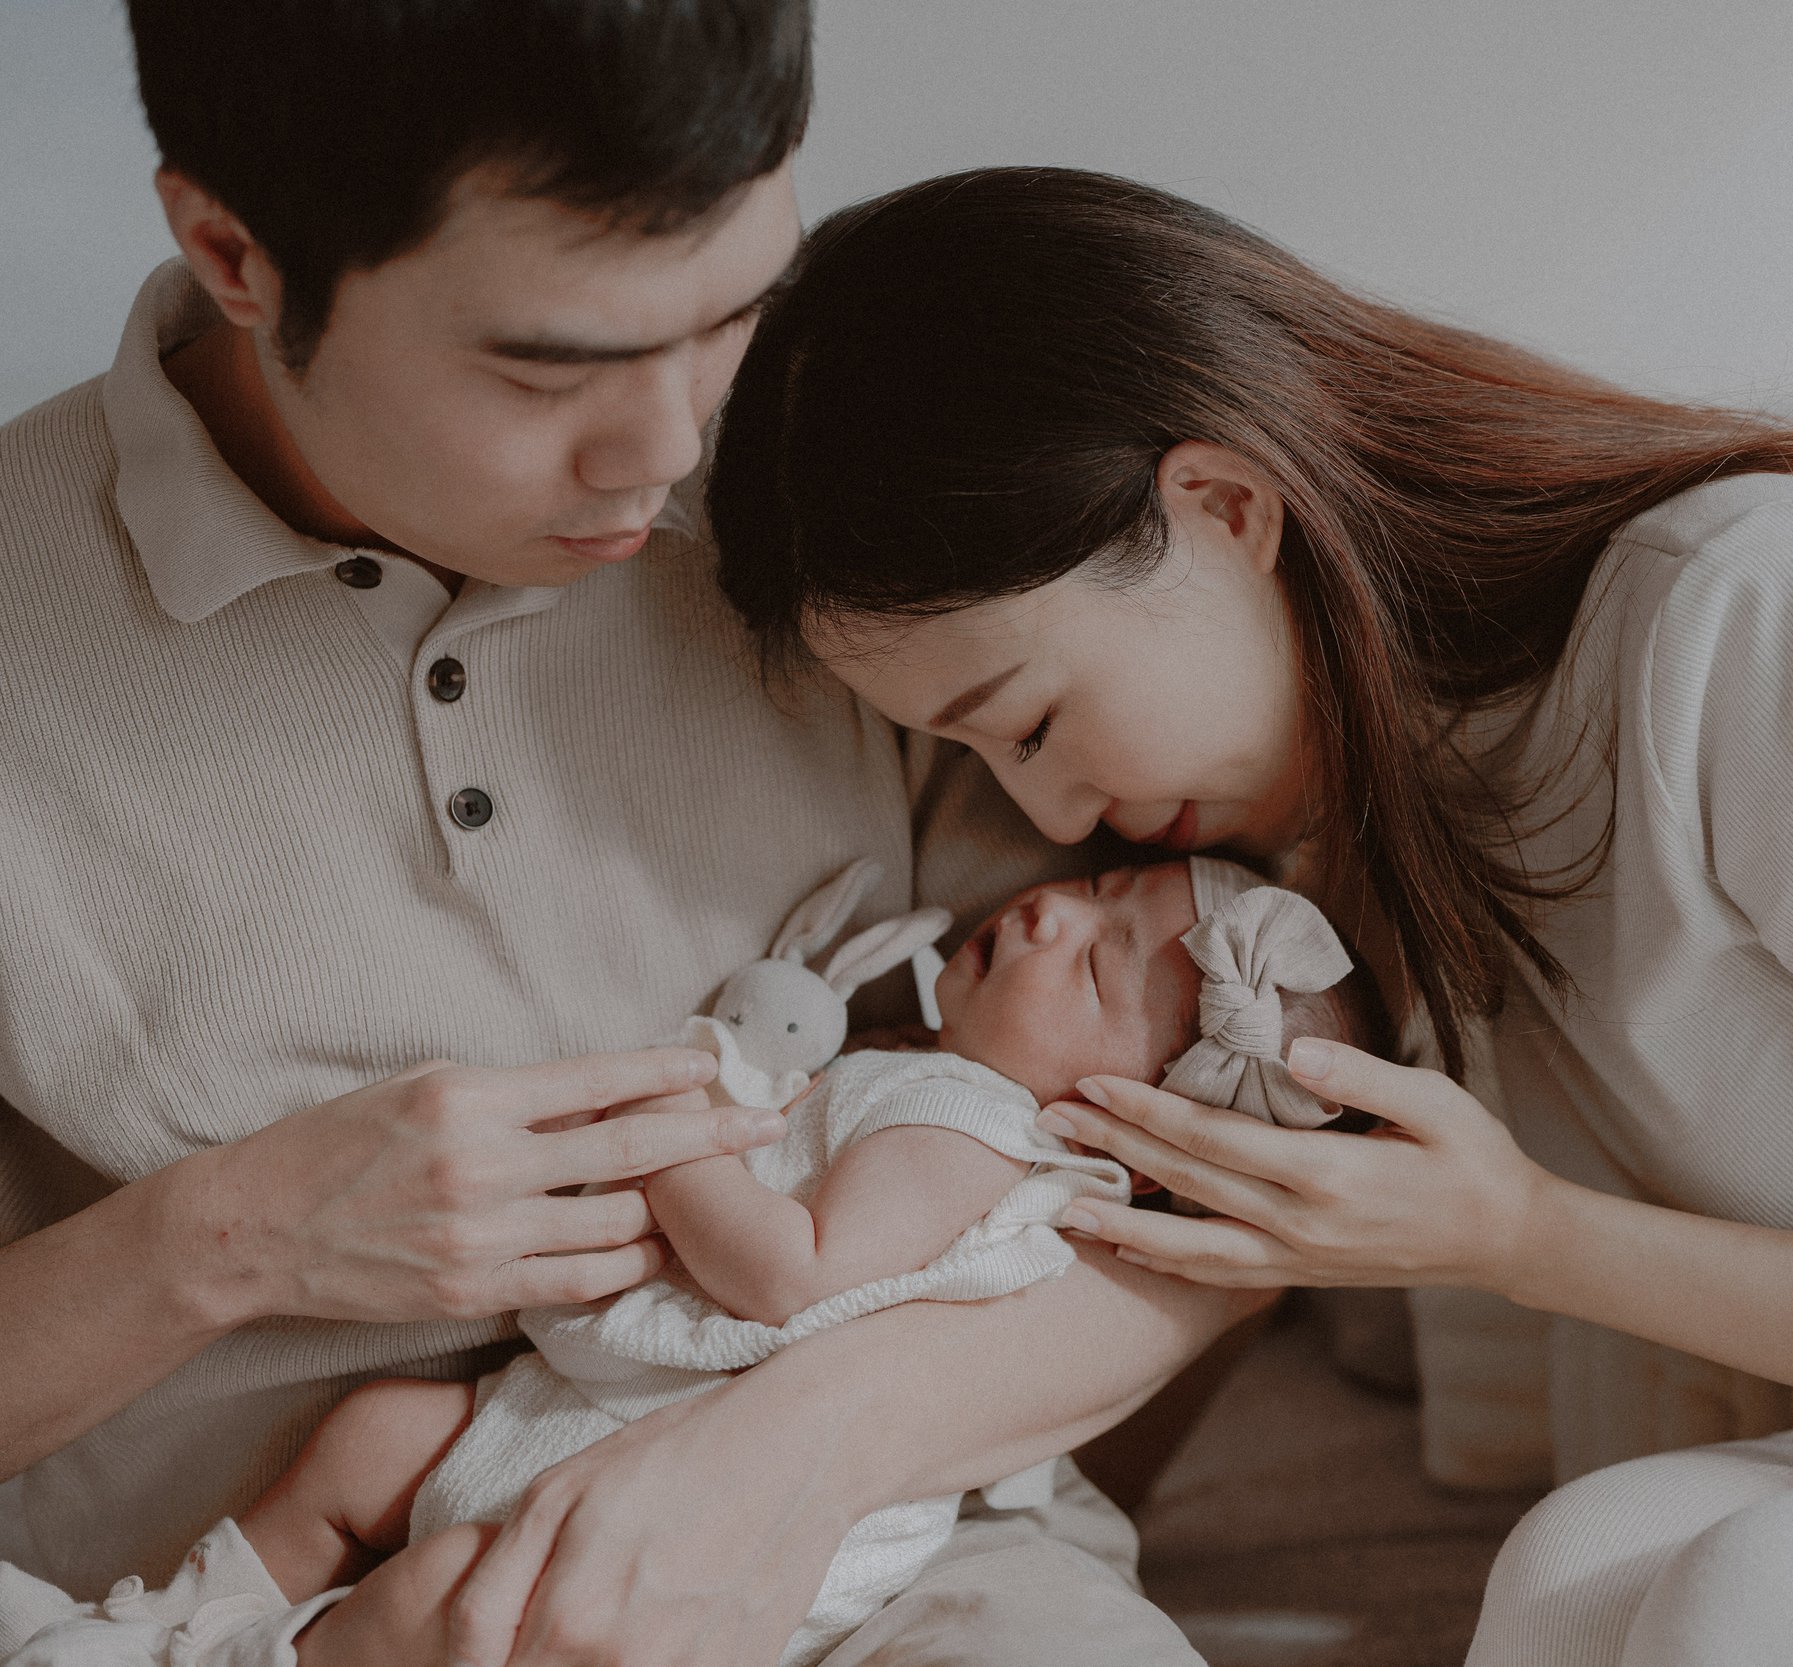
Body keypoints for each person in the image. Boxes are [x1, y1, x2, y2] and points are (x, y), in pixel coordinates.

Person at [704, 164, 1793, 1665]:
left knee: (1786, 1601)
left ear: (1224, 506)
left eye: (1027, 719)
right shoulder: (1315, 858)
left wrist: (1518, 1235)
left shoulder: (1747, 618)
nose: (1045, 817)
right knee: (1583, 1573)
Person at [0, 15, 1250, 1665]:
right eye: (546, 369)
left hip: (890, 1562)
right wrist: (222, 1238)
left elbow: (1243, 1151)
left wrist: (806, 1452)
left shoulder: (817, 490)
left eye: (729, 316)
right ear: (234, 252)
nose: (667, 457)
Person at [4, 859, 1383, 1665]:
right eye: (1087, 891)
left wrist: (672, 1145)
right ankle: (199, 1611)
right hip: (582, 1418)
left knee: (438, 1609)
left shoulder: (970, 1129)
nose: (1044, 917)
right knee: (369, 1438)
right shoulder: (919, 1075)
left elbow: (790, 1271)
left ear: (1125, 1123)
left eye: (1093, 970)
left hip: (673, 1471)